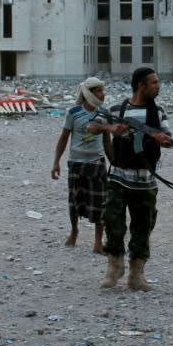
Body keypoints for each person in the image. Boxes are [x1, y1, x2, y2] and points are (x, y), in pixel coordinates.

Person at [88, 67, 172, 291]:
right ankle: (115, 266)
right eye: (153, 83)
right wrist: (111, 128)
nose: (158, 86)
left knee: (143, 226)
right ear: (141, 85)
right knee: (113, 222)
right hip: (118, 176)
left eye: (158, 82)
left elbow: (167, 136)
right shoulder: (119, 108)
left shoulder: (159, 112)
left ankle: (136, 273)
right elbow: (91, 125)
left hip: (145, 180)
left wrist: (161, 139)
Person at [51, 77, 116, 254]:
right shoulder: (73, 113)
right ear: (89, 93)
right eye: (99, 91)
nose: (103, 94)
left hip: (97, 163)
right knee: (74, 201)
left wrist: (115, 164)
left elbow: (107, 142)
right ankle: (74, 231)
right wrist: (56, 162)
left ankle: (97, 242)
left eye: (103, 91)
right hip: (76, 163)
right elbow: (64, 137)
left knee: (100, 203)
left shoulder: (104, 113)